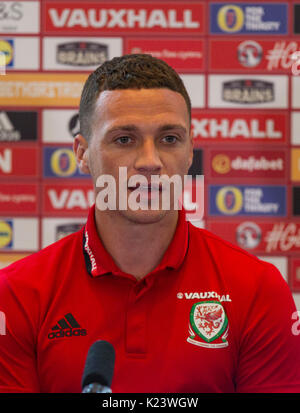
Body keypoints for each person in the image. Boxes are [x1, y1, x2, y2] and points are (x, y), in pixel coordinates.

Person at [0, 54, 299, 393]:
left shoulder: (258, 289)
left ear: (189, 152)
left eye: (169, 139)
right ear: (82, 153)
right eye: (124, 139)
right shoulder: (17, 295)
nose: (150, 162)